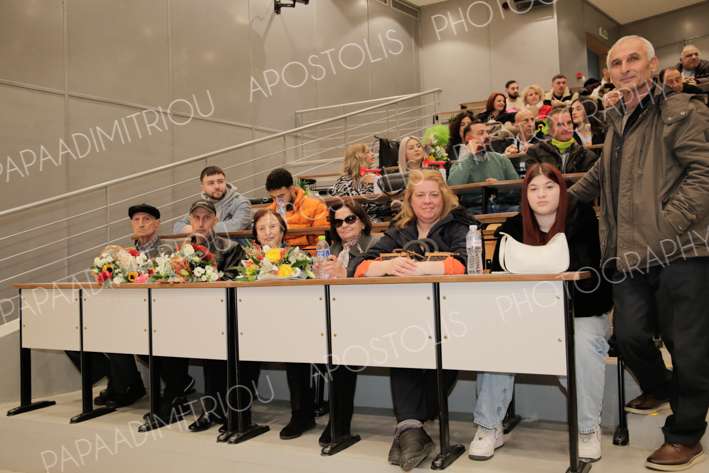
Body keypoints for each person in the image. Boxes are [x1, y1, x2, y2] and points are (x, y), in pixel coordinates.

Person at [569, 35, 709, 471]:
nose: (625, 67)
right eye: (616, 62)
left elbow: (704, 174)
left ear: (652, 65)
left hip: (681, 249)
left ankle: (685, 434)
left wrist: (666, 225)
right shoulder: (618, 121)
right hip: (629, 254)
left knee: (687, 346)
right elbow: (601, 174)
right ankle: (663, 387)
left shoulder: (681, 109)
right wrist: (559, 199)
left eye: (633, 59)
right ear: (609, 73)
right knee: (628, 336)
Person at [469, 163, 613, 463]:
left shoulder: (583, 219)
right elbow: (498, 279)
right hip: (526, 316)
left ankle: (587, 429)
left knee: (582, 346)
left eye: (549, 186)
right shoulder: (511, 228)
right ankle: (488, 426)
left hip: (580, 313)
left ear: (562, 190)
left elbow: (591, 278)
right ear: (525, 195)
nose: (541, 194)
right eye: (533, 188)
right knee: (494, 341)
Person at [349, 170, 476, 471]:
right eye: (420, 195)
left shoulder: (460, 225)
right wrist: (388, 265)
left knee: (444, 358)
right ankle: (412, 432)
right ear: (410, 200)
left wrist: (421, 268)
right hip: (406, 317)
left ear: (444, 197)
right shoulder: (399, 230)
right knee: (401, 353)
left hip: (451, 319)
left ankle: (409, 432)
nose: (427, 201)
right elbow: (357, 266)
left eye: (433, 194)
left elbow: (466, 263)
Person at [184, 200, 260, 436]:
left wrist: (209, 274)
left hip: (226, 314)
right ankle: (212, 410)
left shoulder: (230, 247)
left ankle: (227, 410)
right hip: (194, 315)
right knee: (208, 361)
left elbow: (231, 280)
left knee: (222, 360)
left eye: (206, 218)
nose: (201, 222)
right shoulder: (182, 251)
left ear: (215, 220)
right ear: (190, 221)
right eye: (196, 218)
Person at [310, 200, 378, 446]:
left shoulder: (375, 245)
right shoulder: (331, 249)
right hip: (335, 315)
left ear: (362, 222)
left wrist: (344, 272)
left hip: (369, 315)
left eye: (350, 219)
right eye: (338, 222)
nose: (344, 226)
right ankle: (326, 417)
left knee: (342, 351)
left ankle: (339, 421)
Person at [447, 119, 520, 213]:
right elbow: (453, 187)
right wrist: (470, 156)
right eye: (481, 133)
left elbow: (517, 188)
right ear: (468, 139)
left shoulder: (501, 159)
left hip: (503, 206)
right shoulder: (460, 163)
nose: (486, 136)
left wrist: (500, 186)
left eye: (487, 132)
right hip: (474, 209)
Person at [173, 166, 252, 235]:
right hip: (206, 245)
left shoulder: (241, 202)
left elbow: (237, 226)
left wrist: (199, 228)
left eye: (220, 181)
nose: (217, 186)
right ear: (203, 187)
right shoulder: (202, 205)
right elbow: (178, 226)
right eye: (211, 183)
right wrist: (197, 228)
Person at [265, 168, 328, 247]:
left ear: (291, 189)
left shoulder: (316, 206)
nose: (277, 201)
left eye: (281, 196)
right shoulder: (268, 212)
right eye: (273, 197)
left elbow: (322, 241)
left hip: (309, 253)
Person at [524, 107, 598, 173]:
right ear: (550, 130)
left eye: (569, 123)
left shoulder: (587, 155)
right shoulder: (535, 153)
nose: (566, 128)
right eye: (559, 124)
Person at [329, 144, 379, 219]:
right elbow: (362, 206)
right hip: (358, 220)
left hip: (373, 217)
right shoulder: (344, 181)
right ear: (358, 157)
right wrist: (371, 184)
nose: (372, 154)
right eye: (367, 152)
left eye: (371, 151)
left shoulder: (372, 175)